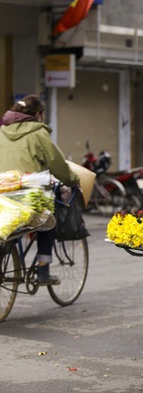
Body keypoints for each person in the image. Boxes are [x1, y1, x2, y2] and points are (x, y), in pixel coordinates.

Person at [0, 95, 80, 285]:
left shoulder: (3, 130)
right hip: (29, 195)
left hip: (2, 193)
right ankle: (43, 270)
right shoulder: (38, 133)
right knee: (47, 220)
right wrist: (73, 180)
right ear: (38, 114)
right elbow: (56, 163)